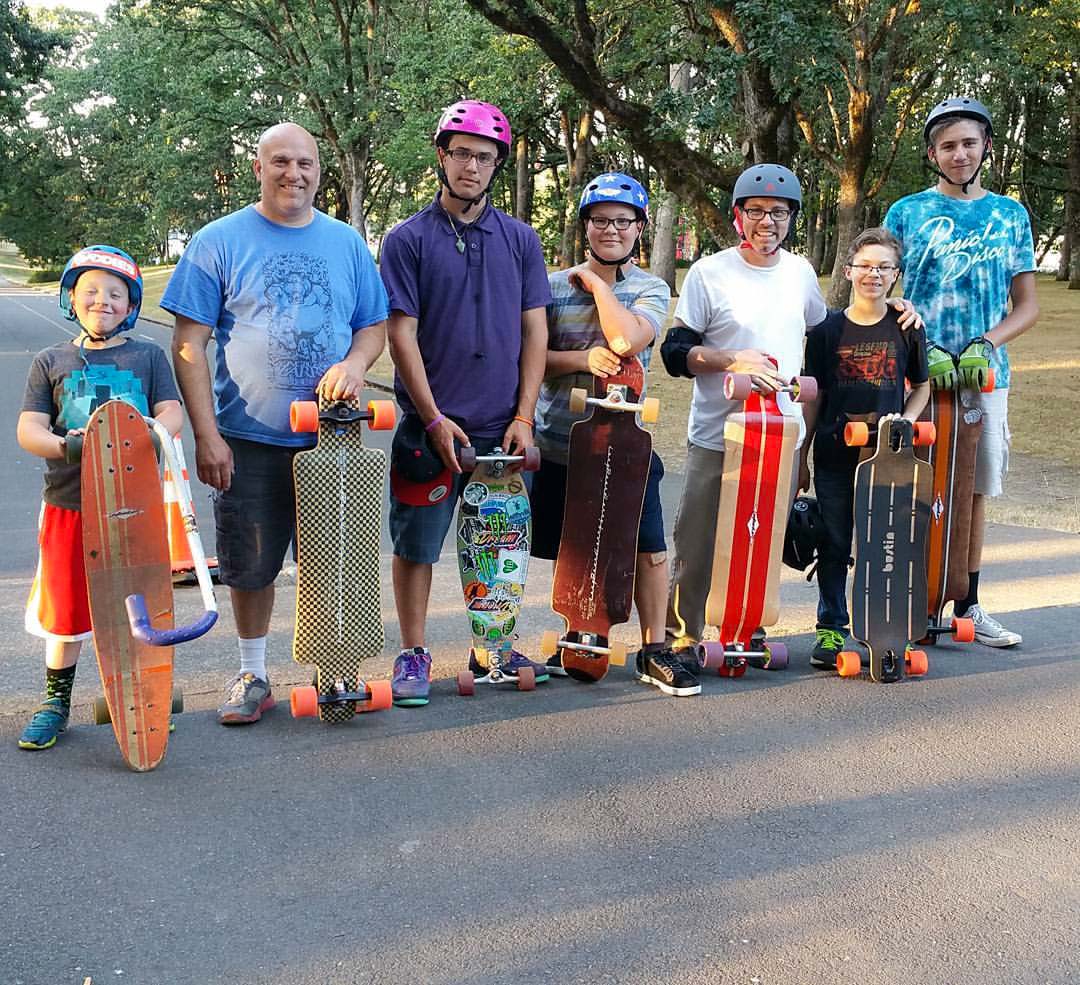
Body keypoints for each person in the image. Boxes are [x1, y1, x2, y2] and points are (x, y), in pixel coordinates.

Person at [162, 122, 389, 725]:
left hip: (335, 436)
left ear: (320, 171)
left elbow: (374, 325)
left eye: (306, 163)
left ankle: (333, 665)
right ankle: (253, 671)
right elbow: (189, 344)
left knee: (336, 559)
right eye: (281, 162)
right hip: (248, 436)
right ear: (258, 168)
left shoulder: (345, 244)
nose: (294, 173)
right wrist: (207, 435)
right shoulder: (219, 240)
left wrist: (355, 362)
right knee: (252, 561)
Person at [380, 99, 551, 706]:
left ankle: (493, 646)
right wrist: (431, 418)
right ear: (442, 158)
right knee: (416, 545)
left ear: (497, 164)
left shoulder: (521, 240)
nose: (471, 166)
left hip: (501, 432)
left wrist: (525, 416)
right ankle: (414, 651)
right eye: (461, 154)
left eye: (483, 157)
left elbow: (536, 331)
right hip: (430, 430)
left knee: (496, 547)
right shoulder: (407, 240)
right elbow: (401, 334)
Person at [530, 172, 693, 696]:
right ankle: (580, 633)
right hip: (559, 439)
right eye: (601, 221)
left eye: (623, 222)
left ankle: (654, 647)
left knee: (648, 547)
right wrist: (580, 358)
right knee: (574, 546)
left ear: (639, 229)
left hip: (625, 447)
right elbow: (529, 360)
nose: (611, 230)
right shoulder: (551, 287)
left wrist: (598, 284)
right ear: (585, 226)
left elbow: (626, 338)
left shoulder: (650, 287)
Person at [884, 97, 1039, 647]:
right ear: (932, 152)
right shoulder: (906, 212)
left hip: (984, 377)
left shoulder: (1010, 214)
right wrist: (919, 345)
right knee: (916, 486)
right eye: (948, 145)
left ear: (986, 147)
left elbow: (1027, 306)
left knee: (972, 489)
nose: (959, 153)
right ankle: (914, 602)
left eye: (969, 142)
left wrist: (984, 342)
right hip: (920, 377)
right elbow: (886, 290)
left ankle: (967, 603)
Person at [17, 246, 183, 750]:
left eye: (115, 294)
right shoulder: (51, 361)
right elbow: (29, 429)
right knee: (66, 607)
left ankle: (141, 695)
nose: (102, 301)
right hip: (70, 504)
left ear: (130, 304)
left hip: (134, 505)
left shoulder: (148, 355)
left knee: (137, 605)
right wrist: (66, 446)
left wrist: (151, 437)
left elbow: (170, 413)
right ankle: (54, 701)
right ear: (71, 298)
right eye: (90, 291)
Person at [799, 228, 930, 667]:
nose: (873, 274)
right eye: (865, 265)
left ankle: (889, 627)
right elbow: (814, 396)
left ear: (896, 275)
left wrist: (905, 424)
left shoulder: (907, 327)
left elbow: (922, 386)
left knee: (887, 546)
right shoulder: (825, 331)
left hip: (888, 459)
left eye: (884, 267)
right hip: (836, 455)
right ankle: (832, 629)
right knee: (835, 543)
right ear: (849, 269)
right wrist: (801, 456)